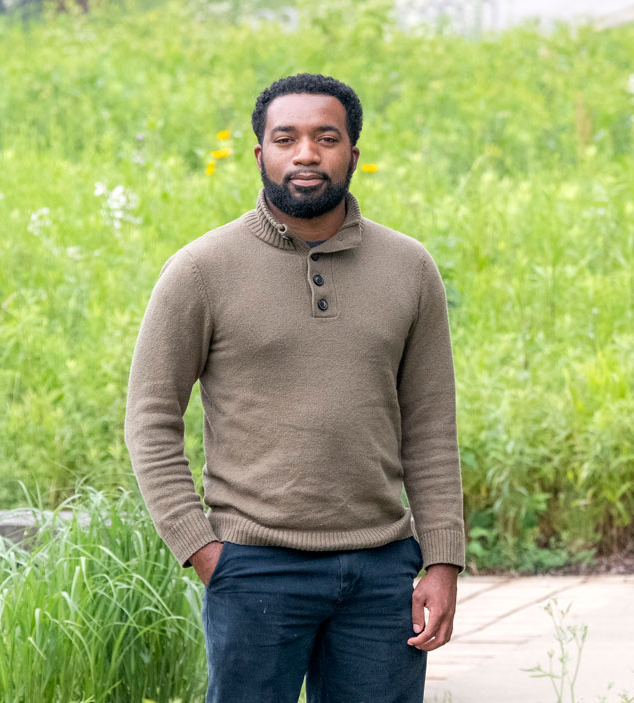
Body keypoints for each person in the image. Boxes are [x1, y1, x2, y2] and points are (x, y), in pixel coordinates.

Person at [123, 72, 465, 703]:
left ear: (353, 154)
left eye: (325, 137)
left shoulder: (409, 267)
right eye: (287, 138)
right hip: (254, 567)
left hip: (381, 569)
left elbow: (431, 428)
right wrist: (200, 548)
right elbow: (149, 419)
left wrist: (441, 561)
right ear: (261, 154)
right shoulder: (201, 270)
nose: (306, 154)